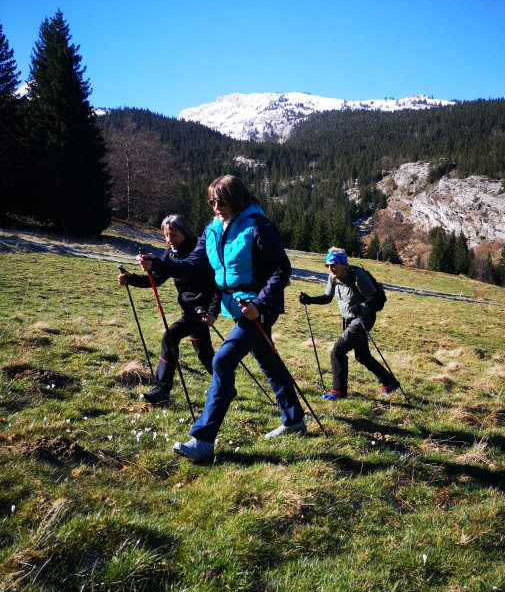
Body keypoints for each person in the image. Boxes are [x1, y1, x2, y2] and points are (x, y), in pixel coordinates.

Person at [137, 175, 305, 461]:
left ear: (236, 199)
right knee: (267, 360)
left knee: (222, 360)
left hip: (258, 307)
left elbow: (281, 269)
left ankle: (203, 440)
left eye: (221, 201)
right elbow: (193, 265)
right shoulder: (213, 229)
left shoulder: (258, 226)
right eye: (212, 201)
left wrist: (260, 305)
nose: (215, 206)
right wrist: (160, 263)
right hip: (236, 306)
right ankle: (294, 421)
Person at [119, 214, 220, 405]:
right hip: (188, 309)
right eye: (166, 236)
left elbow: (216, 286)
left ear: (186, 234)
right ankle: (226, 387)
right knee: (205, 354)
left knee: (170, 336)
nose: (169, 240)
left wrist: (213, 311)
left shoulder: (199, 253)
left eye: (174, 235)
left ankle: (162, 389)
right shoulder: (171, 254)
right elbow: (155, 280)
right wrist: (130, 278)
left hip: (202, 309)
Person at [299, 247, 399, 400]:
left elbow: (374, 298)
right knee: (362, 356)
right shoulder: (333, 277)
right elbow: (327, 297)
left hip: (365, 318)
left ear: (343, 264)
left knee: (338, 350)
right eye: (327, 265)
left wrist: (362, 306)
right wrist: (310, 300)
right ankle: (390, 383)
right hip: (351, 319)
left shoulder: (357, 275)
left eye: (333, 265)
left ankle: (339, 391)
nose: (330, 268)